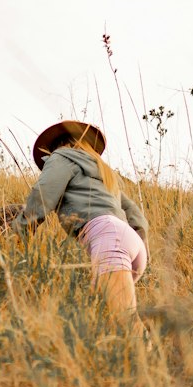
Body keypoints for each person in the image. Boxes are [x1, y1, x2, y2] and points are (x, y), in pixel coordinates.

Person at [11, 119, 149, 315]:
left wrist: (20, 232)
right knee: (100, 321)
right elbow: (136, 216)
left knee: (126, 324)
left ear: (57, 146)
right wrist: (137, 246)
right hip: (130, 244)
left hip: (108, 239)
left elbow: (43, 195)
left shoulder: (61, 156)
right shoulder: (104, 172)